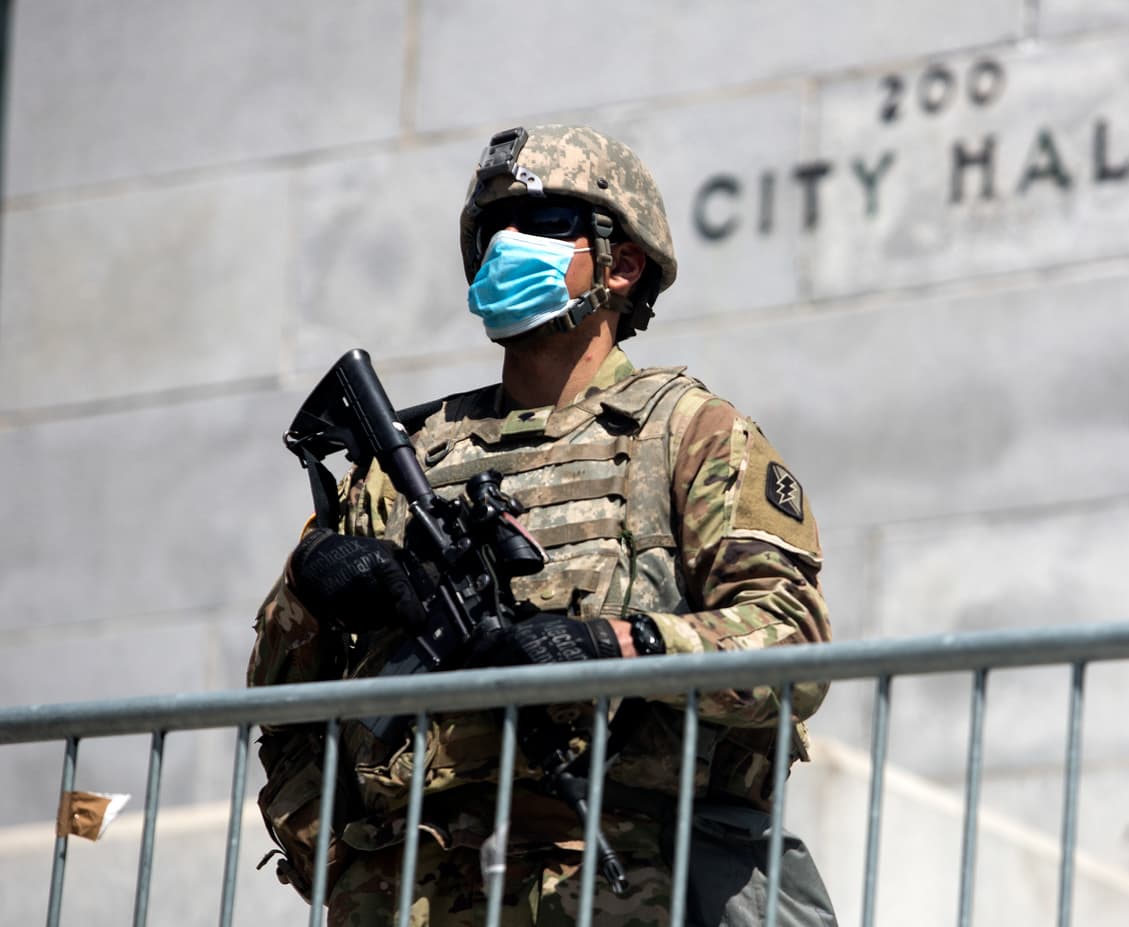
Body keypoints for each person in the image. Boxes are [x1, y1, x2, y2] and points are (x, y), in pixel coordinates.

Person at [248, 124, 836, 926]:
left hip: (615, 879)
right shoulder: (404, 461)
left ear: (622, 265)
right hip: (404, 889)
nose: (507, 245)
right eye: (493, 227)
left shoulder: (689, 434)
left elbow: (792, 647)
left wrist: (616, 644)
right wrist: (310, 584)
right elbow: (282, 696)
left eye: (547, 224)